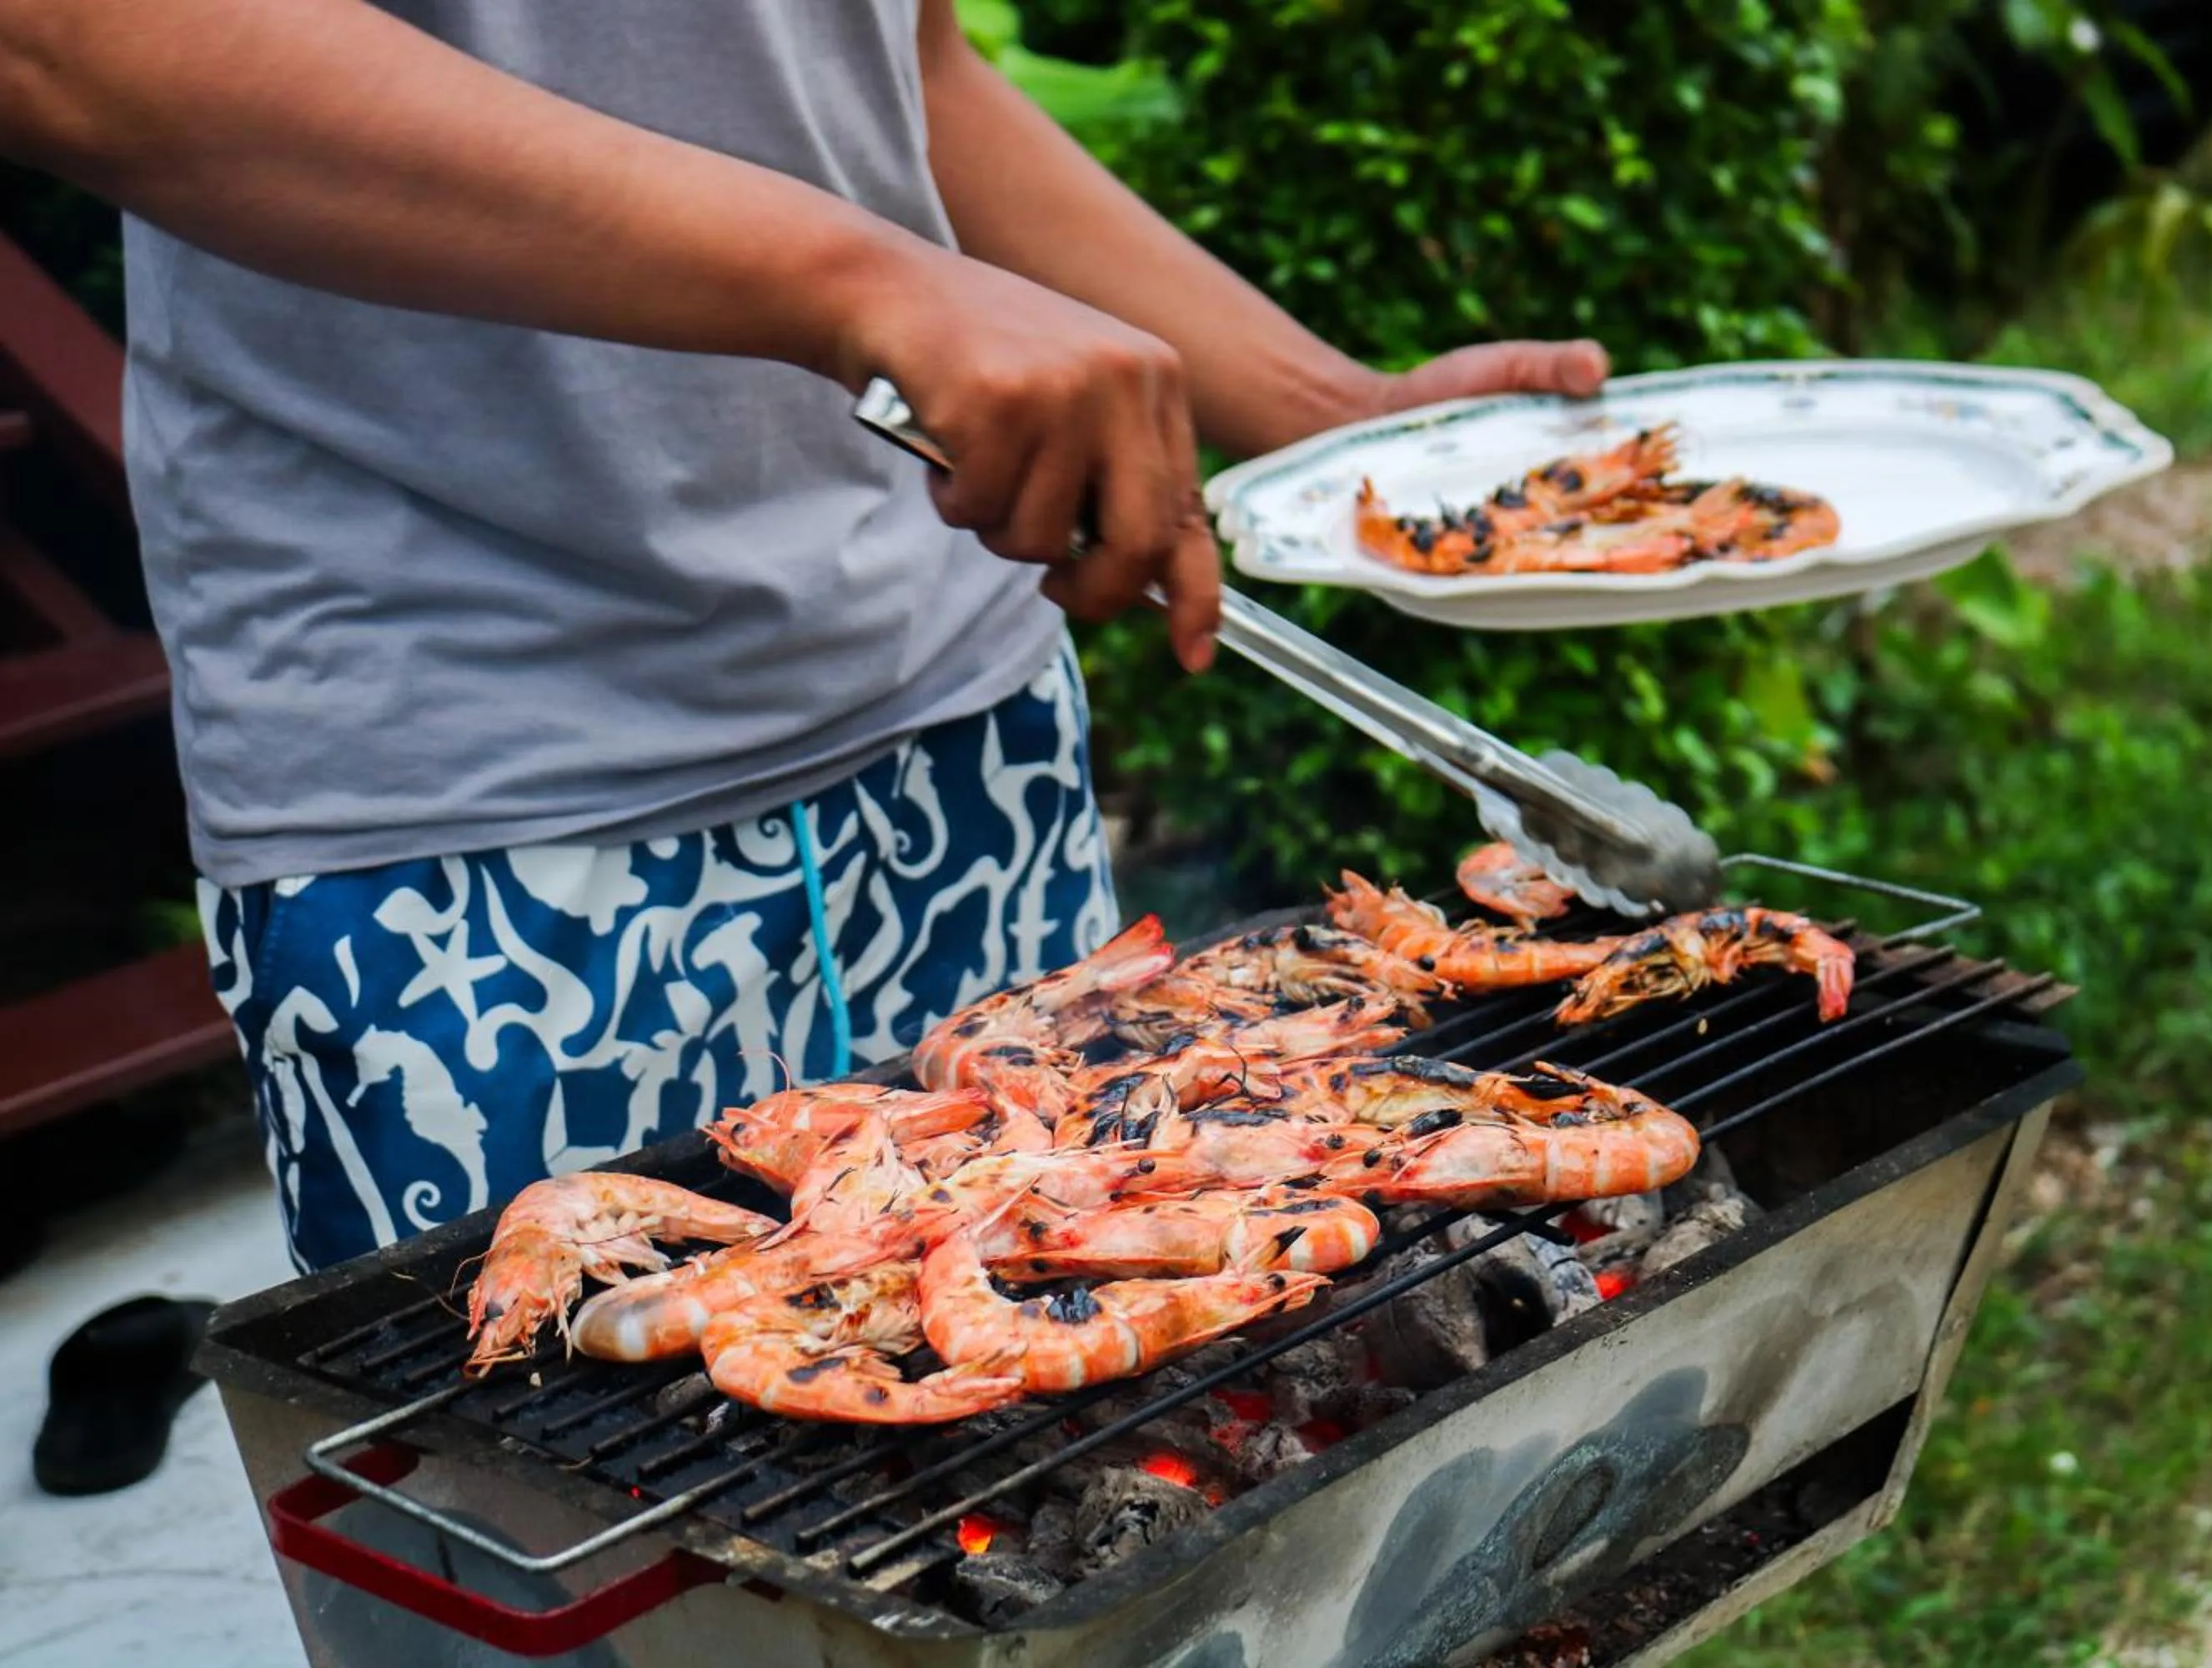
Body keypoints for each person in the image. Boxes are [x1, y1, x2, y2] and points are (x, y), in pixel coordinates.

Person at [0, 0, 1611, 1274]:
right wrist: (867, 284)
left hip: (960, 721)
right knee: (587, 1545)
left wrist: (1335, 415)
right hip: (474, 795)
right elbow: (75, 38)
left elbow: (890, 61)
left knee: (1080, 1478)